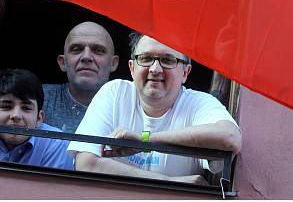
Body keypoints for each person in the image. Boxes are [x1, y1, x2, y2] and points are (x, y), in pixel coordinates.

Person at [67, 33, 241, 184]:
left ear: (185, 73)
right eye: (146, 58)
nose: (155, 69)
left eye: (167, 60)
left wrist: (146, 140)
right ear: (132, 68)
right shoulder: (115, 92)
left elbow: (231, 137)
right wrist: (169, 183)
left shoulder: (198, 103)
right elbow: (86, 163)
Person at [0, 18, 119, 132]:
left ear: (114, 63)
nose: (86, 57)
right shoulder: (37, 97)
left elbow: (143, 145)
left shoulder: (131, 106)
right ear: (62, 62)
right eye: (76, 49)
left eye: (98, 50)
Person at [0, 68, 74, 170]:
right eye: (7, 107)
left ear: (39, 118)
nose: (16, 115)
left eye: (26, 108)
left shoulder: (56, 143)